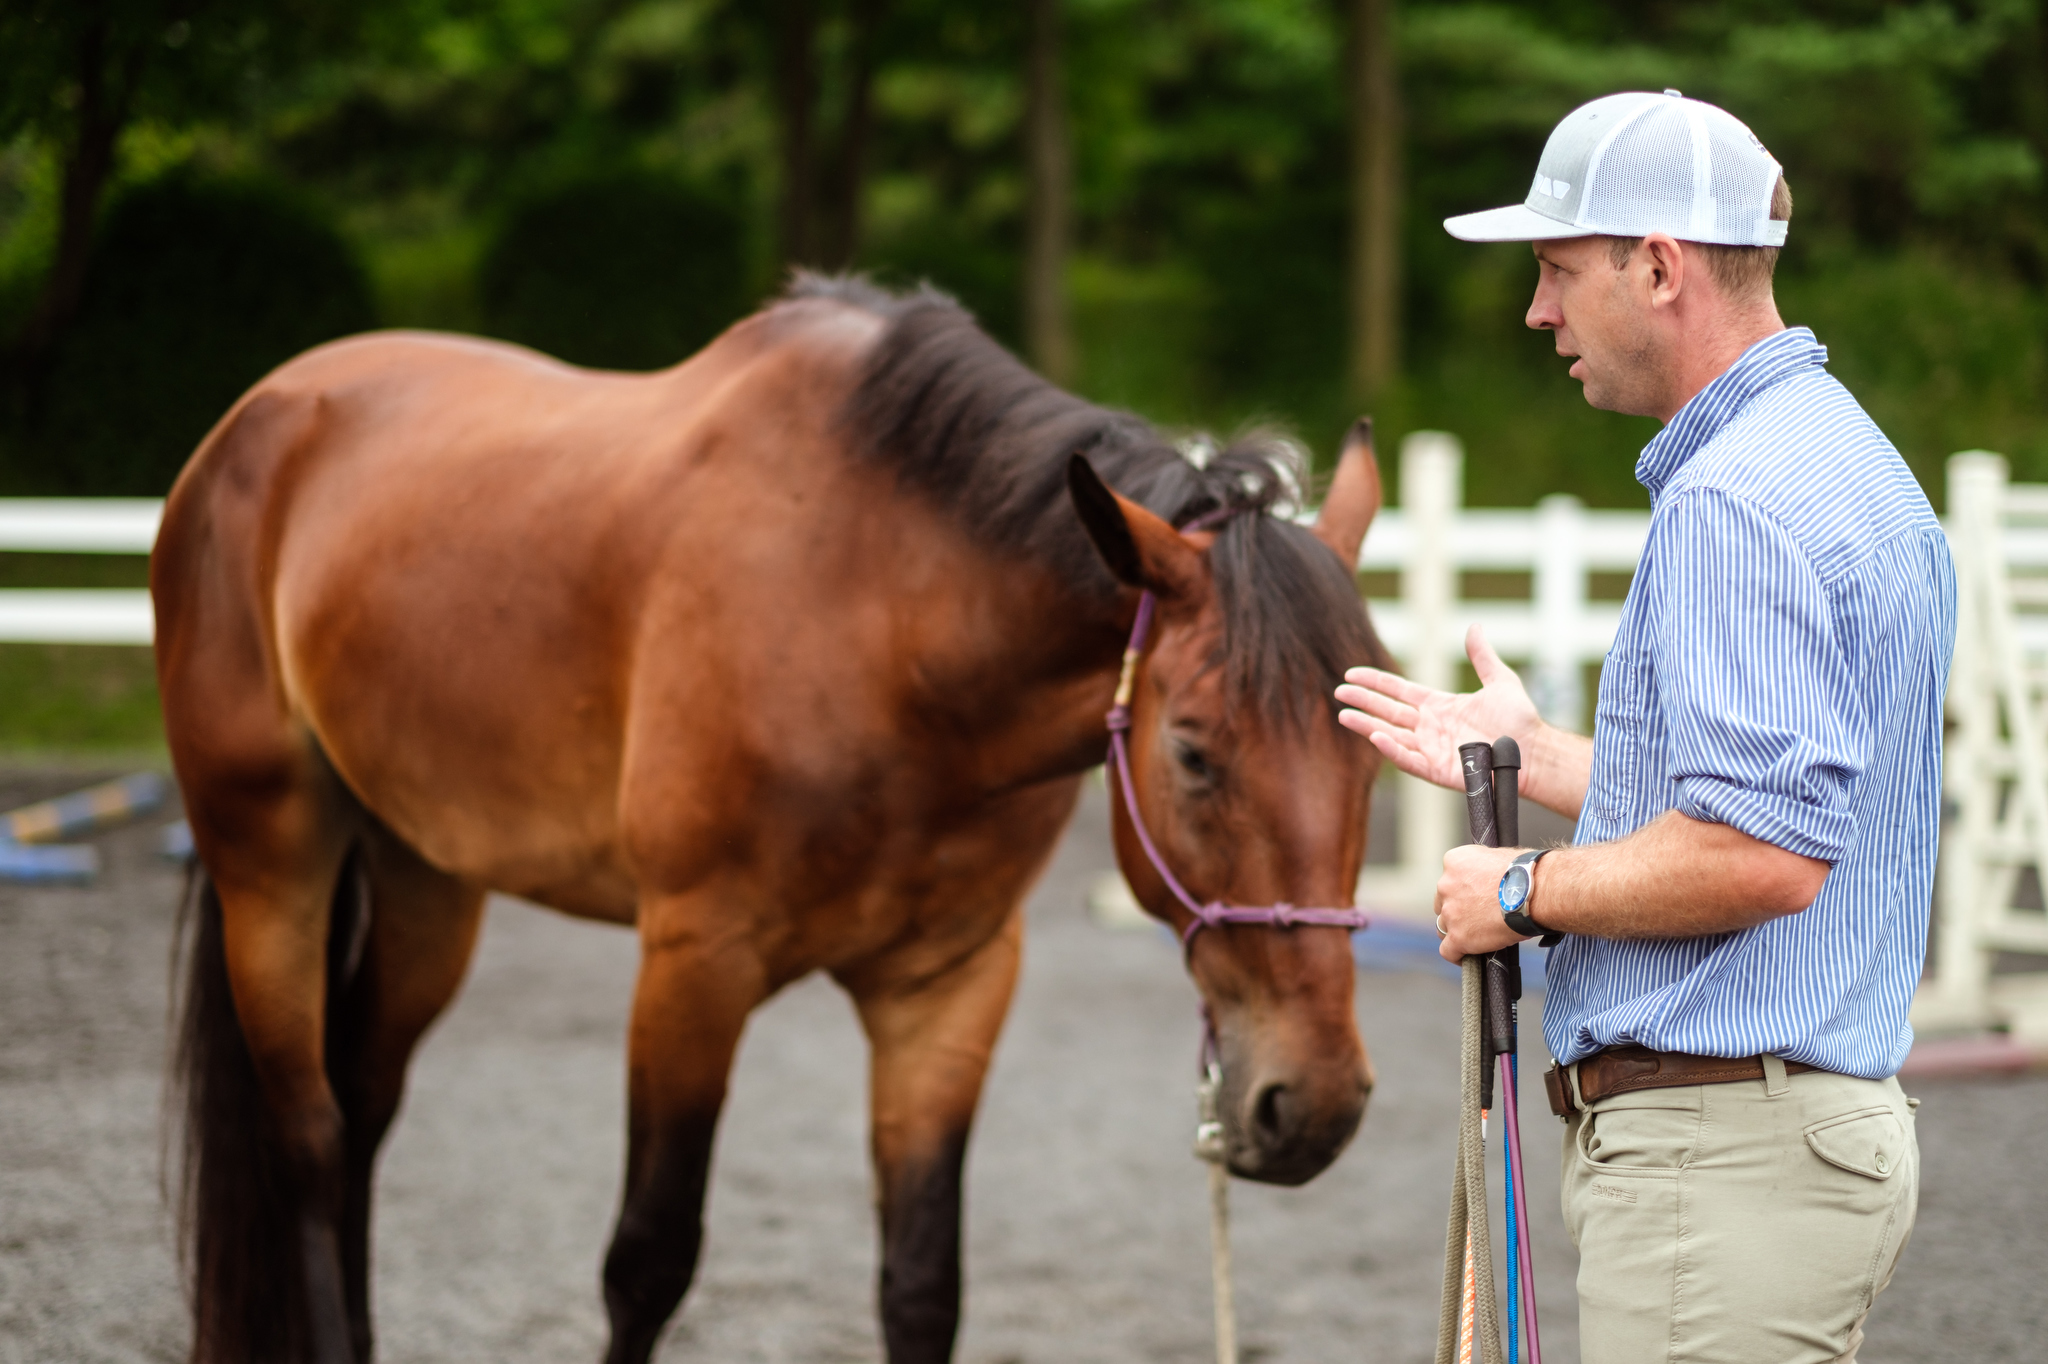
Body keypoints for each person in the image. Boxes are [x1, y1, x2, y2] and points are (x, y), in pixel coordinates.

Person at [1333, 91, 1954, 1364]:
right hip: (1777, 1152)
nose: (1537, 310)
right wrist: (1539, 755)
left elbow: (1762, 853)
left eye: (1557, 269)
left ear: (1659, 267)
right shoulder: (1843, 459)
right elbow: (1783, 792)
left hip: (1721, 1167)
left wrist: (1518, 888)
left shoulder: (1733, 501)